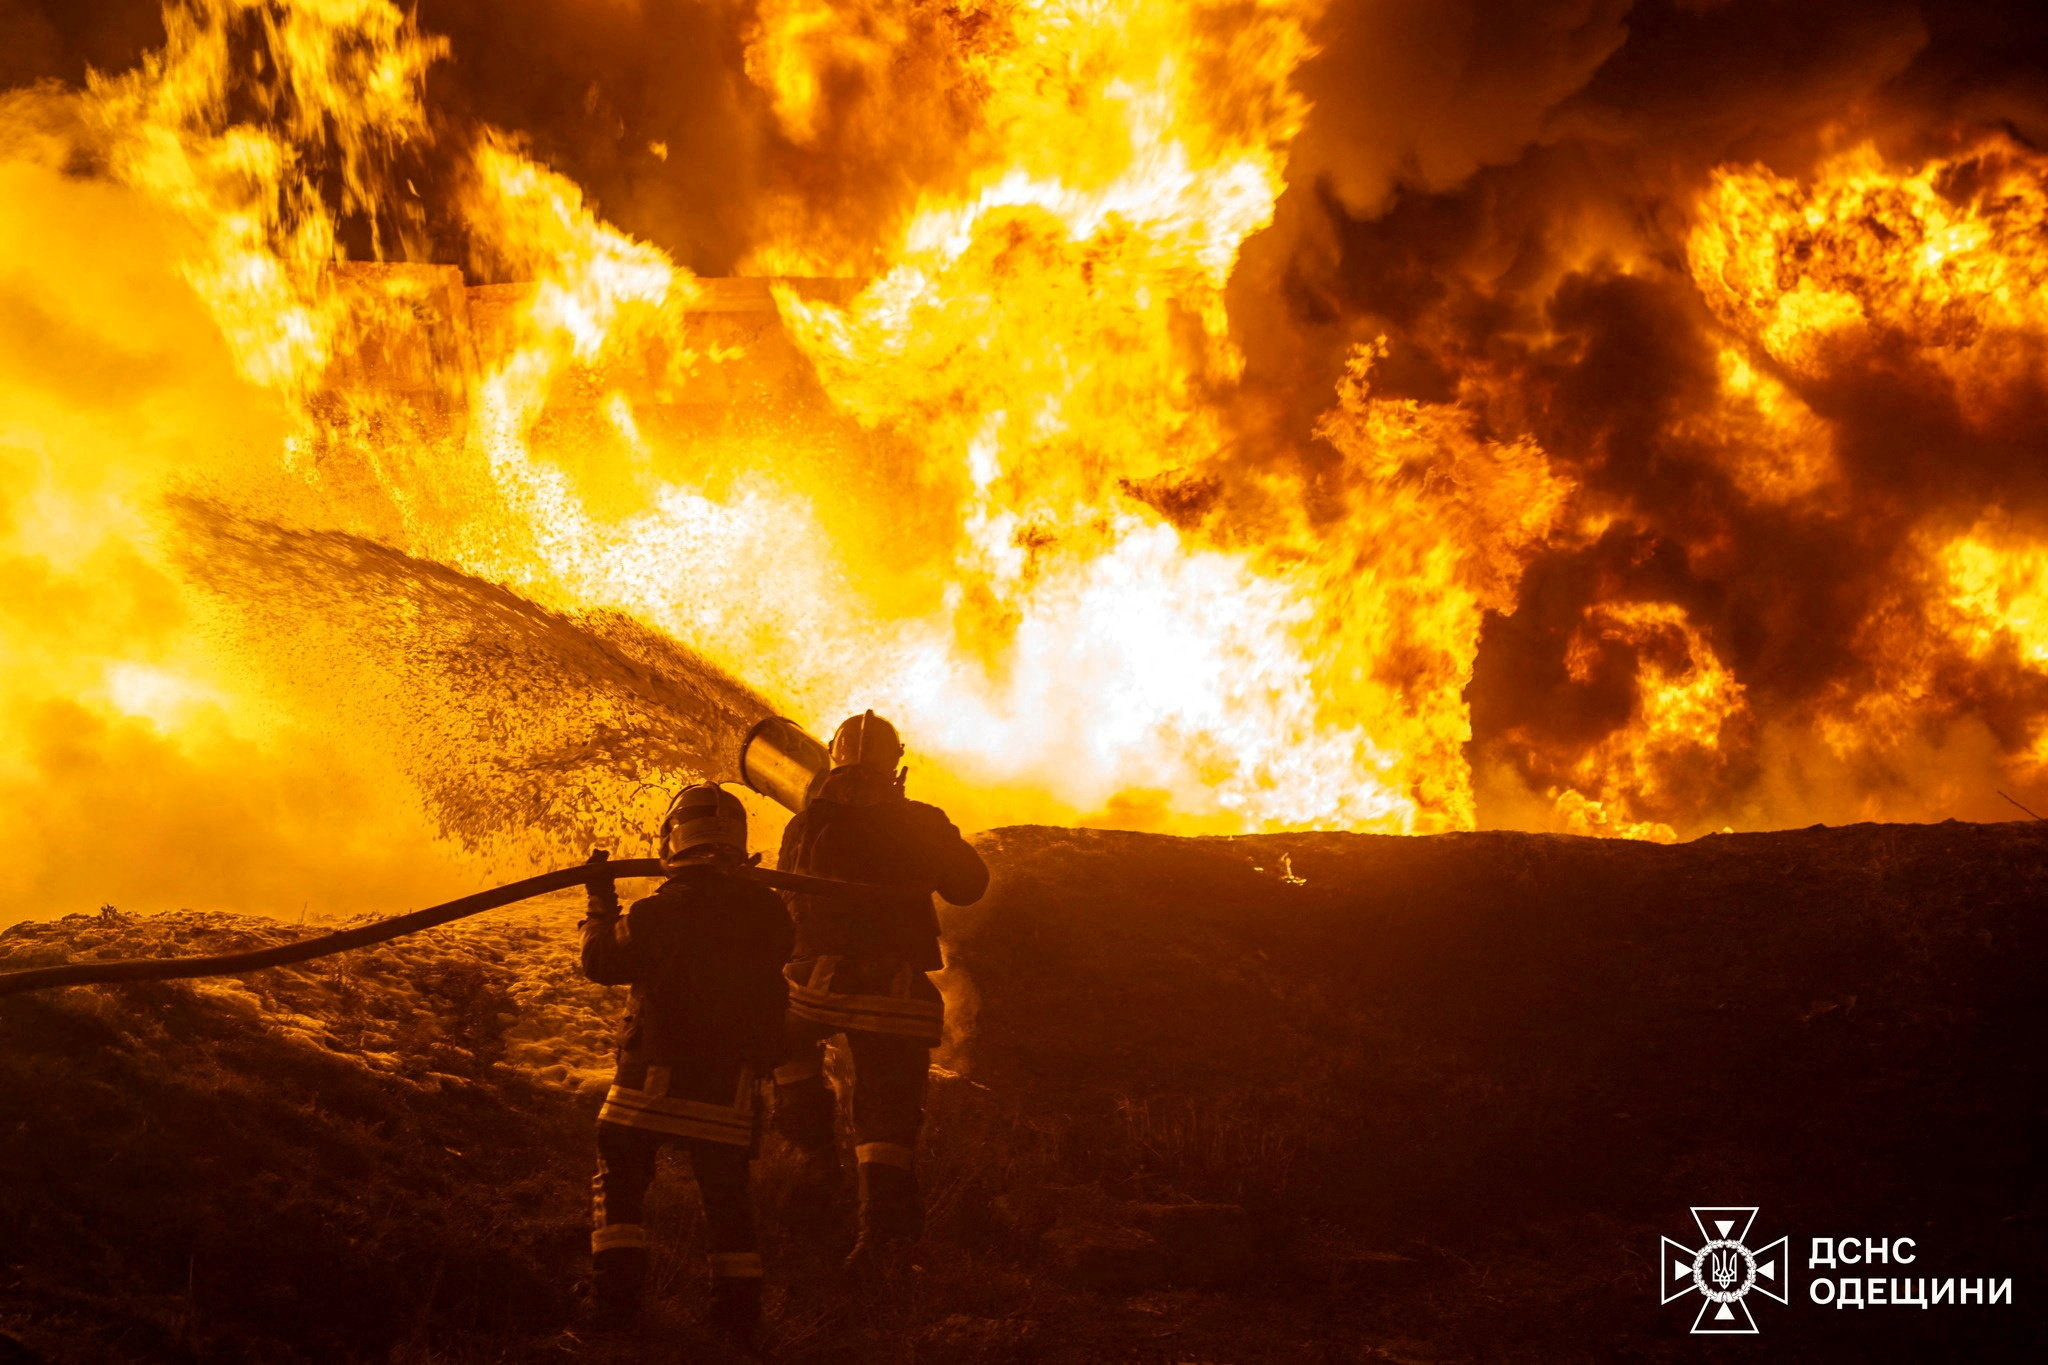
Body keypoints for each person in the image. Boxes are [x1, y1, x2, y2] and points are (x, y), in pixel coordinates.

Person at [771, 711, 989, 1277]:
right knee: (886, 1117)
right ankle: (882, 1241)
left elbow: (787, 905)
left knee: (782, 1046)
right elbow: (970, 887)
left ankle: (811, 1164)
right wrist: (934, 838)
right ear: (896, 766)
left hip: (811, 986)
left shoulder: (805, 823)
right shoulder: (920, 820)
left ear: (832, 760)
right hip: (893, 992)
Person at [579, 783, 793, 1348]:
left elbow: (601, 961)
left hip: (653, 1073)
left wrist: (601, 902)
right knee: (726, 1197)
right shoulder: (769, 911)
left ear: (672, 842)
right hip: (730, 1084)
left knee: (620, 1178)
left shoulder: (658, 911)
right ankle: (738, 1320)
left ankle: (616, 1306)